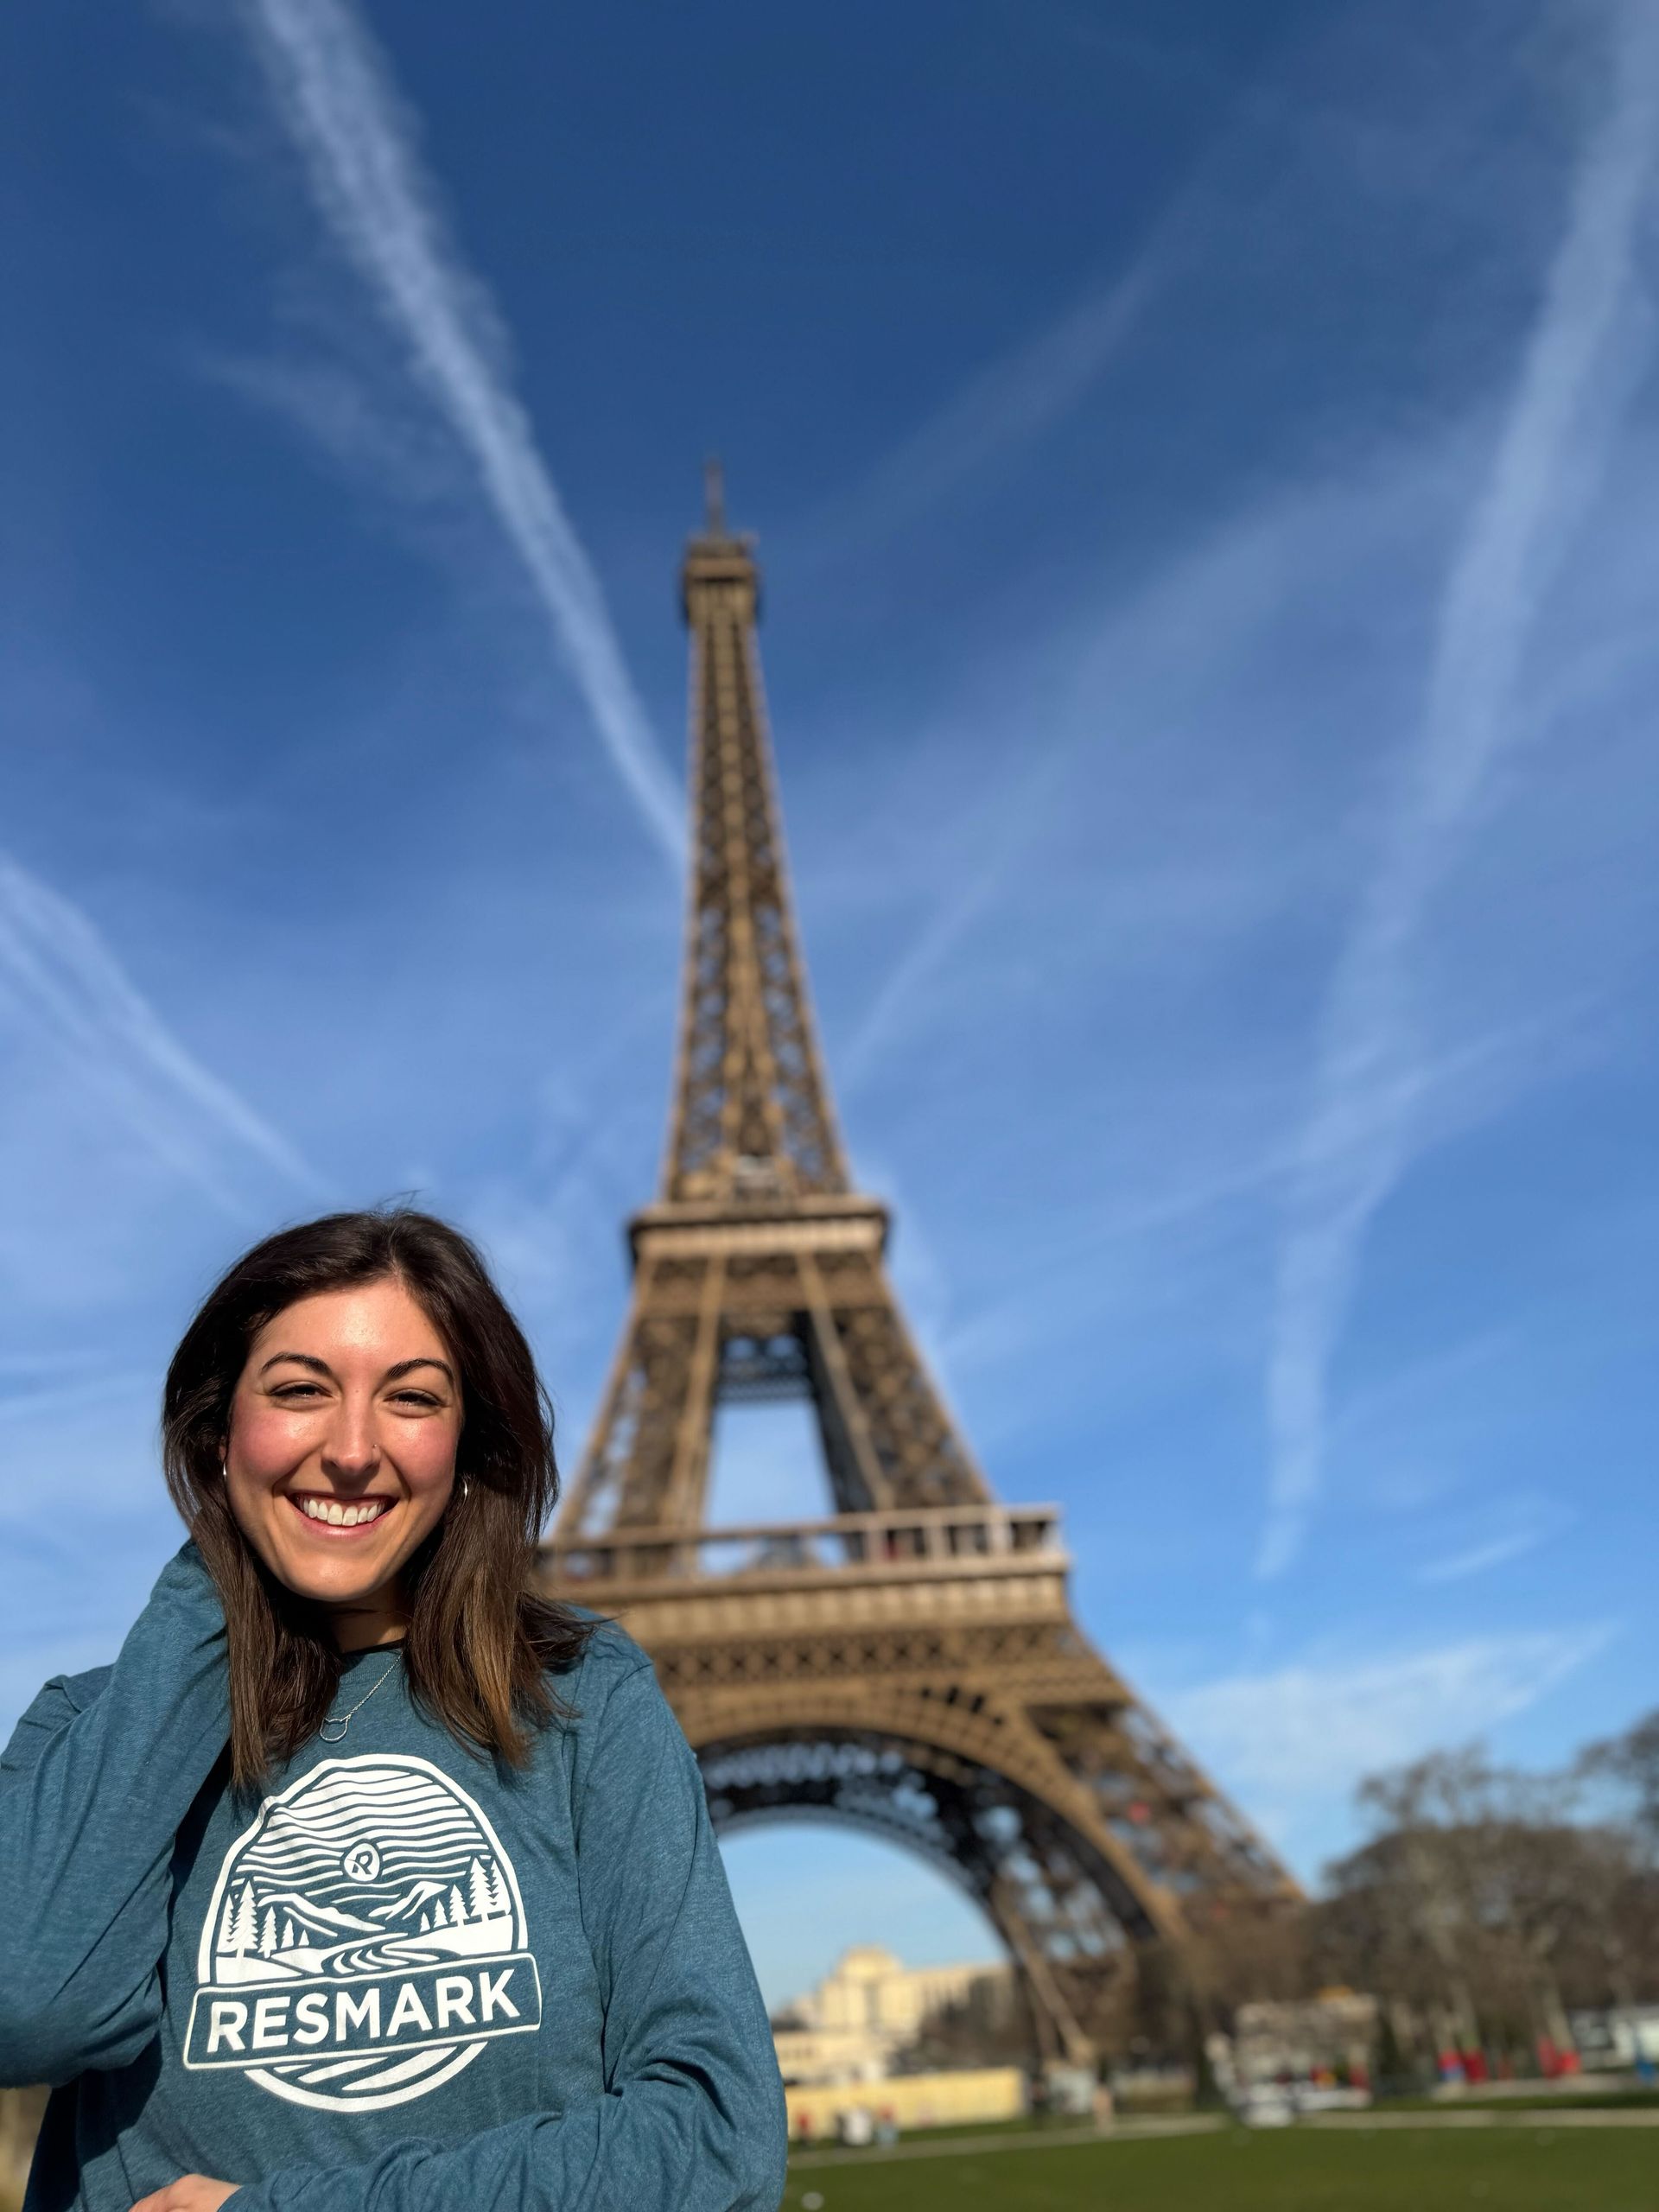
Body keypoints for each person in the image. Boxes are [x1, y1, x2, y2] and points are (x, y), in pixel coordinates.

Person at [0, 1209, 787, 2212]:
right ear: (216, 1431)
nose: (354, 1449)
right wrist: (221, 1564)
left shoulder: (580, 1695)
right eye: (297, 1392)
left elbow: (718, 2142)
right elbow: (23, 2008)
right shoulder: (90, 1724)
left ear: (466, 1447)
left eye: (411, 1398)